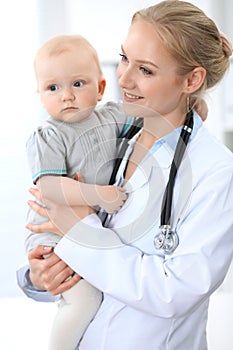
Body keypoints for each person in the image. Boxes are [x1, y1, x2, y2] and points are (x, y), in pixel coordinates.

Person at [18, 1, 233, 349]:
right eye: (123, 58)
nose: (123, 78)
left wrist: (78, 230)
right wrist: (39, 277)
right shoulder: (117, 136)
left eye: (145, 70)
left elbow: (174, 292)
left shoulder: (216, 172)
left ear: (192, 79)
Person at [24, 34, 132, 350]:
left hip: (83, 231)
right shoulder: (48, 135)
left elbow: (155, 113)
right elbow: (50, 187)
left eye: (78, 84)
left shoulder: (110, 116)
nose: (66, 96)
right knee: (83, 299)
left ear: (100, 88)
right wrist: (98, 194)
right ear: (40, 94)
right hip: (51, 234)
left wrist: (195, 105)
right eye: (53, 88)